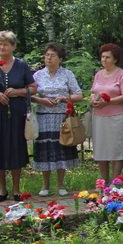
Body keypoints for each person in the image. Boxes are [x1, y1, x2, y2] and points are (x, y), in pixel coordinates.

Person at [0, 30, 36, 202]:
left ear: (13, 46)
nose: (1, 47)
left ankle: (16, 189)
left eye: (5, 44)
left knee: (15, 148)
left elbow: (33, 88)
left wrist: (18, 91)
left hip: (16, 114)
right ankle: (1, 189)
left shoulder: (21, 65)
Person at [31, 43, 83, 197]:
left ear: (60, 58)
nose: (49, 58)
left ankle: (61, 184)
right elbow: (30, 95)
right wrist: (42, 101)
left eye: (52, 55)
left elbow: (78, 95)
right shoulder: (37, 75)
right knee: (45, 150)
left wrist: (64, 98)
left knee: (62, 148)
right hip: (43, 118)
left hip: (62, 118)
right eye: (47, 55)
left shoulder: (67, 74)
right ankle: (45, 185)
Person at [89, 43, 123, 181]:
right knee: (101, 149)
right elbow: (93, 92)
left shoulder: (121, 74)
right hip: (99, 116)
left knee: (115, 149)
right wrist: (93, 100)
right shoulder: (98, 74)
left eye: (107, 57)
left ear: (115, 59)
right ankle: (104, 182)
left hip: (115, 116)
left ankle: (115, 182)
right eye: (102, 57)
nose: (104, 60)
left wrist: (109, 101)